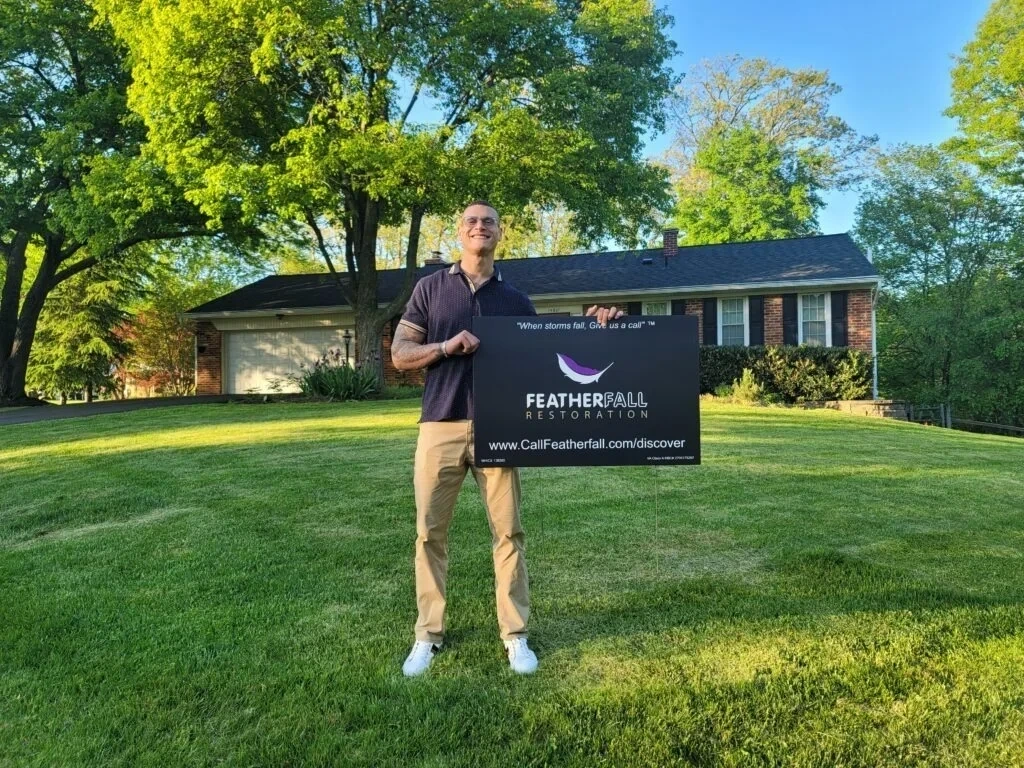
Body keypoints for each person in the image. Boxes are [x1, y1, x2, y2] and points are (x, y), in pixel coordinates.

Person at [390, 201, 622, 677]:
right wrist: (445, 346)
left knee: (509, 533)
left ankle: (515, 636)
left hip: (501, 427)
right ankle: (426, 635)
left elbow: (546, 356)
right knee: (429, 533)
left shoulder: (514, 300)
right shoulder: (430, 289)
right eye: (472, 221)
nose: (480, 227)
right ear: (460, 233)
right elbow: (400, 354)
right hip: (440, 425)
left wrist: (594, 327)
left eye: (489, 222)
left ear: (499, 234)